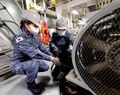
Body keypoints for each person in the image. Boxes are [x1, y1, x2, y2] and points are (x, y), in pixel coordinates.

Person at [11, 10, 59, 95]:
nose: (37, 28)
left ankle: (30, 72)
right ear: (26, 25)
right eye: (35, 26)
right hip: (17, 65)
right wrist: (51, 59)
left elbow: (42, 48)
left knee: (45, 67)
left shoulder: (34, 37)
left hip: (28, 61)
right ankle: (30, 84)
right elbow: (35, 53)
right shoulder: (20, 40)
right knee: (34, 64)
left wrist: (52, 54)